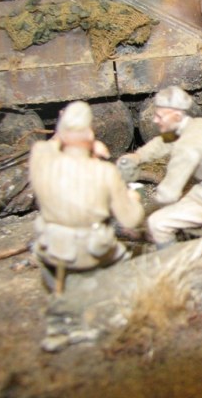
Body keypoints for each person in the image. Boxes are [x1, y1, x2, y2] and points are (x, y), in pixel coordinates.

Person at [29, 101, 144, 291]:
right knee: (124, 255)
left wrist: (74, 137)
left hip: (53, 246)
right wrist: (133, 199)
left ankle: (58, 286)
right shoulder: (105, 171)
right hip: (91, 251)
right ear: (90, 134)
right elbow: (130, 219)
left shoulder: (41, 158)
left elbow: (50, 145)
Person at [118, 86, 202, 248]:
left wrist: (141, 209)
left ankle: (173, 258)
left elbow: (168, 194)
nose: (155, 120)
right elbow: (164, 142)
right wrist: (138, 156)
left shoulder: (187, 148)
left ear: (177, 116)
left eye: (160, 116)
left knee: (157, 223)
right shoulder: (197, 124)